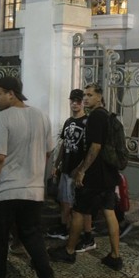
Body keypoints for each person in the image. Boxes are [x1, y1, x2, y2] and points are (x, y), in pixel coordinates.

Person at [0, 77, 57, 278]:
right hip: (33, 190)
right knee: (32, 236)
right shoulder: (42, 116)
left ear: (11, 94)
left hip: (5, 191)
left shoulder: (3, 118)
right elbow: (48, 152)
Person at [49, 83, 124, 271]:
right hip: (108, 175)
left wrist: (82, 170)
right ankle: (115, 256)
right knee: (109, 212)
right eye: (85, 95)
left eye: (90, 95)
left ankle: (69, 251)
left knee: (78, 212)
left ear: (99, 97)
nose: (86, 98)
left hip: (94, 176)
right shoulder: (107, 116)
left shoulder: (96, 117)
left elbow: (95, 147)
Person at [49, 89, 93, 249]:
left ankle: (87, 234)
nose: (74, 103)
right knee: (64, 200)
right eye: (72, 100)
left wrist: (81, 168)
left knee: (81, 204)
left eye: (78, 101)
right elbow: (63, 144)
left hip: (78, 171)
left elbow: (90, 150)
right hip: (66, 168)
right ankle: (64, 226)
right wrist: (56, 164)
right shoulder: (68, 122)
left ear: (83, 103)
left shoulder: (87, 123)